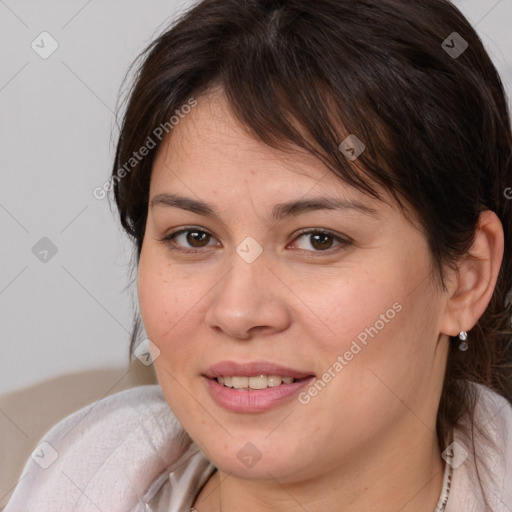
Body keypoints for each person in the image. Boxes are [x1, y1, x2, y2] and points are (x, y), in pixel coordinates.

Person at [5, 0, 512, 510]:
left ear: (466, 278)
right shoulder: (55, 480)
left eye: (319, 239)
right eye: (194, 237)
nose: (238, 312)